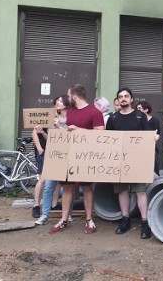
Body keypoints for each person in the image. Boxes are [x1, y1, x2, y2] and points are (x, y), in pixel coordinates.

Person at [49, 84, 104, 234]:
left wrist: (80, 130)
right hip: (69, 155)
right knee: (66, 187)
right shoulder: (71, 112)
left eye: (68, 95)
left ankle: (89, 219)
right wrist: (59, 129)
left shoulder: (94, 112)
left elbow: (101, 133)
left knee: (86, 187)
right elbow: (68, 132)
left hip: (87, 156)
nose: (67, 99)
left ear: (74, 96)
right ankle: (64, 219)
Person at [107, 88, 152, 239]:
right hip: (119, 160)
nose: (123, 99)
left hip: (137, 160)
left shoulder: (140, 116)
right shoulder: (113, 118)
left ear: (131, 99)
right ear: (118, 100)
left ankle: (145, 223)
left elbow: (147, 137)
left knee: (140, 191)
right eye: (120, 97)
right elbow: (108, 140)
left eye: (126, 96)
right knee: (122, 191)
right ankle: (125, 219)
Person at [32, 94, 69, 223]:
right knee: (48, 186)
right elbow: (50, 140)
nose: (57, 102)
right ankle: (45, 214)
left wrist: (59, 126)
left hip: (67, 155)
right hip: (52, 155)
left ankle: (67, 214)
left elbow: (70, 138)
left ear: (66, 104)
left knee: (67, 188)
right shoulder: (52, 117)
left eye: (60, 101)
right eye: (57, 100)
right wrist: (42, 132)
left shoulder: (72, 119)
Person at [136, 101, 162, 175]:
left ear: (146, 110)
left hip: (151, 146)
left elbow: (157, 134)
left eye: (139, 108)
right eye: (137, 108)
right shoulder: (137, 120)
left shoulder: (154, 121)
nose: (138, 110)